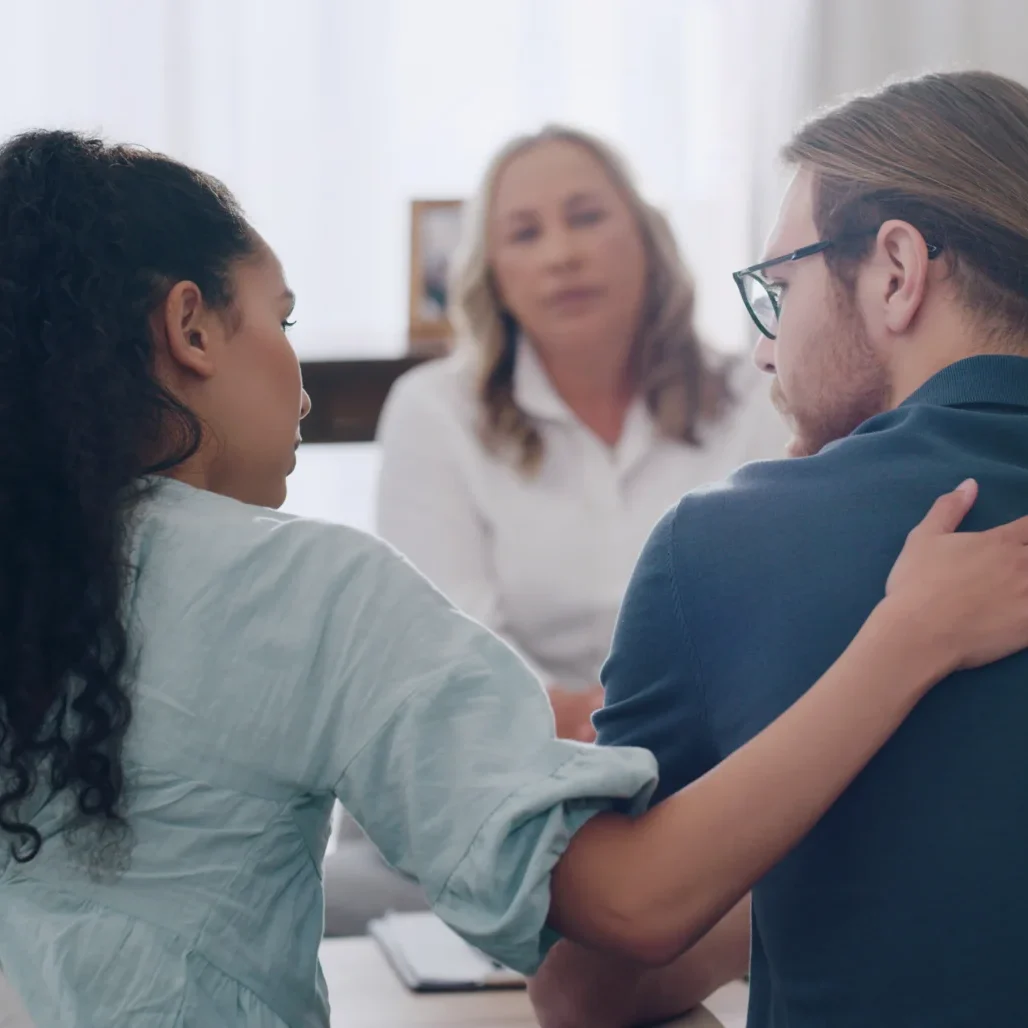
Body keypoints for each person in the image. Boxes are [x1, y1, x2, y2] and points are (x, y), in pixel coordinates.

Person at [0, 131, 1027, 1028]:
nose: (305, 387)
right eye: (284, 318)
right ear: (190, 329)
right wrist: (907, 637)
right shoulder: (303, 586)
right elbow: (629, 903)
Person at [528, 70, 1028, 1028]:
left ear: (895, 270)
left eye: (779, 288)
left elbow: (582, 989)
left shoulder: (720, 545)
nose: (765, 351)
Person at [327, 125, 789, 935]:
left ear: (647, 240)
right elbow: (451, 645)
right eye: (525, 233)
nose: (561, 253)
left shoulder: (755, 394)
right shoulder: (435, 411)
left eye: (586, 217)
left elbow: (776, 619)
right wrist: (603, 727)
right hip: (496, 784)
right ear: (492, 274)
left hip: (708, 785)